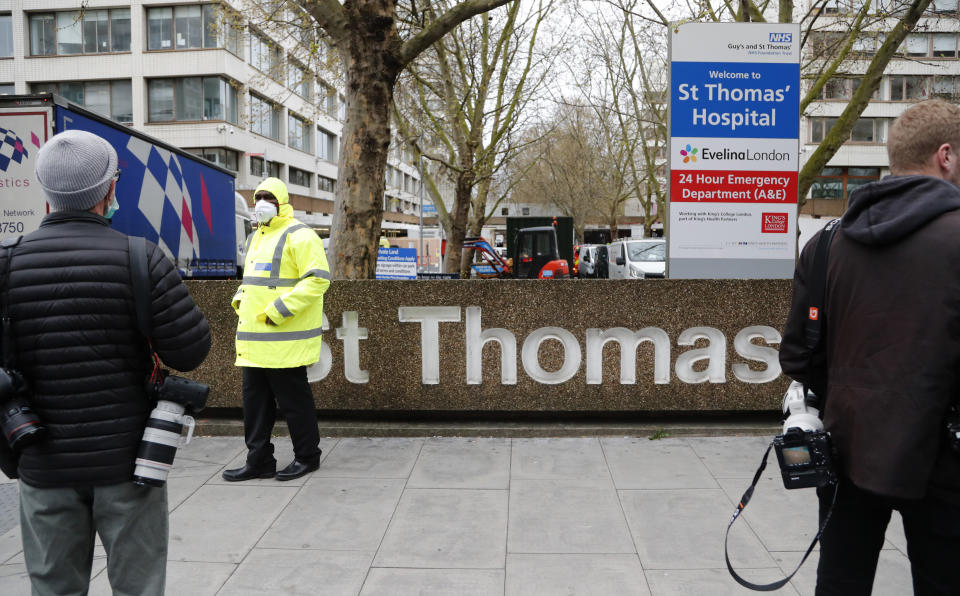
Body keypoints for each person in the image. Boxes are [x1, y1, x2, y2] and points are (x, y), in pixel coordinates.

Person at [0, 129, 211, 595]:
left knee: (53, 588)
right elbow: (191, 351)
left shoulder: (7, 265)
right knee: (138, 587)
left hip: (42, 463)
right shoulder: (141, 259)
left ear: (46, 190)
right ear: (110, 189)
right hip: (130, 465)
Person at [780, 99, 960, 596]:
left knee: (840, 581)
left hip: (844, 450)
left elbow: (797, 356)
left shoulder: (827, 241)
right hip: (942, 460)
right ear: (945, 156)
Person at [223, 177, 330, 482]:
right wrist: (240, 299)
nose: (261, 203)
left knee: (295, 403)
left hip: (283, 339)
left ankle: (308, 457)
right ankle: (259, 461)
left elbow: (318, 279)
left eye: (268, 197)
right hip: (255, 340)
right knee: (255, 405)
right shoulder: (258, 236)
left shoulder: (301, 235)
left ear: (282, 202)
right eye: (258, 197)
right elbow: (254, 279)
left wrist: (278, 311)